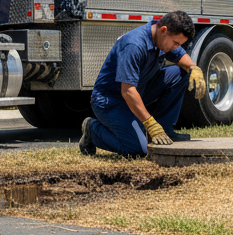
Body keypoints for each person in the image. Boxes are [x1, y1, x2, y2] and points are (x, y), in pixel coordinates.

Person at [78, 11, 206, 158]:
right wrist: (150, 123)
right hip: (111, 101)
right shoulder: (134, 45)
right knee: (139, 149)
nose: (175, 47)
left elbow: (180, 55)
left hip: (137, 91)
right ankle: (93, 130)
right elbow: (127, 91)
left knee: (182, 73)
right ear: (163, 30)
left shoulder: (161, 38)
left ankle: (164, 130)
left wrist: (194, 68)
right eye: (175, 43)